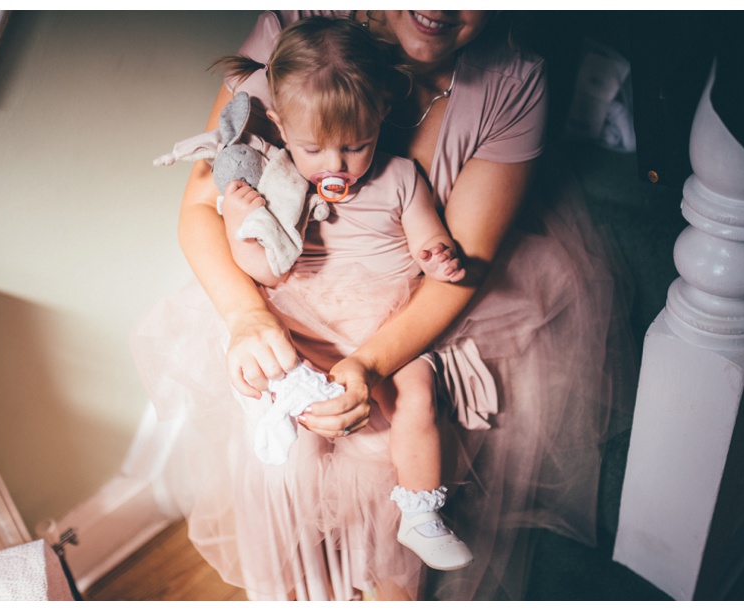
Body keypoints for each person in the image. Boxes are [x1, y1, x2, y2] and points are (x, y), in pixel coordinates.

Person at [131, 10, 626, 600]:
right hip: (286, 312)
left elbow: (455, 258)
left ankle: (413, 530)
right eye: (316, 148)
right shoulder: (295, 43)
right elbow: (203, 212)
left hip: (400, 319)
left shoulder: (455, 130)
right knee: (283, 467)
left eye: (354, 147)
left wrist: (377, 351)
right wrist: (247, 312)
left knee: (392, 449)